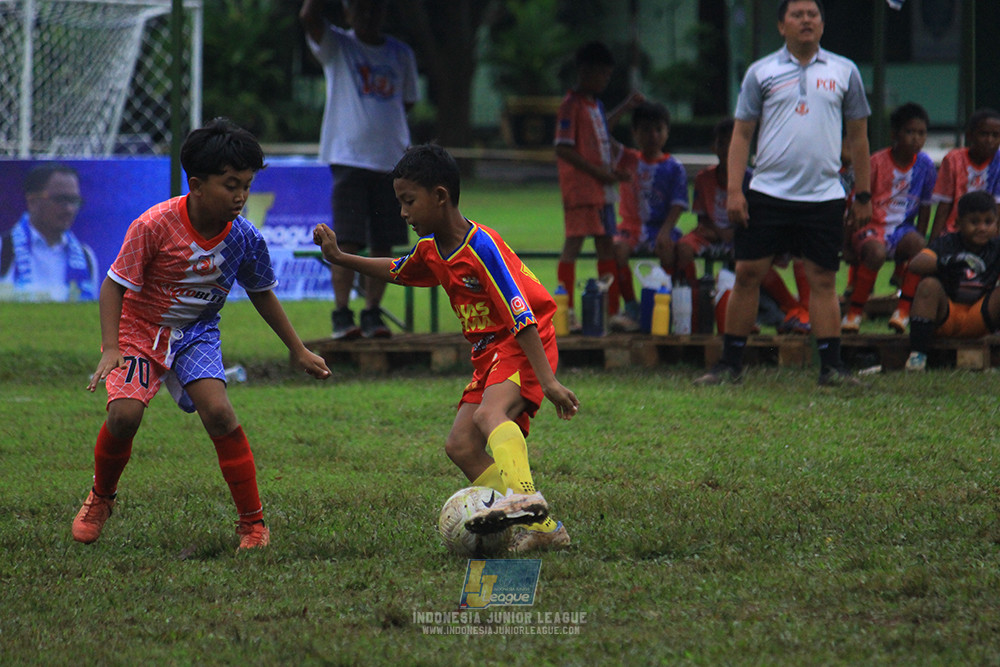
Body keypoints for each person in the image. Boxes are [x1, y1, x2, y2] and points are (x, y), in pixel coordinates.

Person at [71, 119, 332, 550]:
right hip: (140, 332)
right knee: (124, 417)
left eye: (247, 185)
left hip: (197, 334)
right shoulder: (154, 225)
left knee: (220, 413)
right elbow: (114, 284)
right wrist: (112, 347)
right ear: (196, 183)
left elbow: (262, 293)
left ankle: (253, 524)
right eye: (231, 185)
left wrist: (298, 348)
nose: (241, 196)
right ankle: (101, 497)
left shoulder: (245, 237)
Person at [313, 144, 580, 552]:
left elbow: (522, 315)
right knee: (460, 445)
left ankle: (531, 514)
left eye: (409, 201)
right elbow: (397, 270)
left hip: (523, 339)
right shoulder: (432, 250)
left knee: (490, 415)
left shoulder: (481, 248)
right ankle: (542, 525)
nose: (403, 213)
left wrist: (549, 381)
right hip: (490, 353)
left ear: (440, 196)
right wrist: (340, 257)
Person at [695, 0, 872, 386]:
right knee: (746, 274)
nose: (806, 20)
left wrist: (863, 194)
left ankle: (831, 368)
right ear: (781, 26)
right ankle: (730, 365)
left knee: (823, 279)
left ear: (823, 24)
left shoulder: (845, 72)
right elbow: (741, 135)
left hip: (824, 195)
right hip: (768, 192)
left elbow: (858, 138)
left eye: (813, 14)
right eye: (797, 14)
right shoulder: (762, 72)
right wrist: (735, 192)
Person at [299, 0, 419, 339]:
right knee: (347, 240)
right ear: (348, 12)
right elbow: (308, 16)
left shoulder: (401, 53)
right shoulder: (339, 45)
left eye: (375, 8)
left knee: (385, 241)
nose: (369, 14)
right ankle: (342, 313)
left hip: (391, 160)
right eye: (360, 8)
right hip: (349, 157)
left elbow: (407, 101)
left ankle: (372, 313)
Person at [554, 40, 643, 331]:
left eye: (607, 74)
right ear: (584, 71)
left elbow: (601, 129)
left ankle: (610, 312)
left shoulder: (594, 105)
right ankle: (564, 311)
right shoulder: (570, 105)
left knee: (606, 247)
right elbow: (563, 148)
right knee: (574, 245)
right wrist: (599, 173)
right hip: (581, 191)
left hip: (603, 191)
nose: (605, 79)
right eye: (601, 74)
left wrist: (626, 108)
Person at [841, 102, 937, 334]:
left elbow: (925, 208)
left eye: (921, 133)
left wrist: (921, 235)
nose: (916, 139)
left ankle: (902, 311)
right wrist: (846, 244)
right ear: (895, 134)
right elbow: (855, 204)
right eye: (909, 132)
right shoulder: (876, 163)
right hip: (871, 227)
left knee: (918, 247)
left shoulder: (926, 166)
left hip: (902, 229)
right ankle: (854, 312)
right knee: (876, 253)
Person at [609, 100, 688, 332]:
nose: (652, 135)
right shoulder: (627, 159)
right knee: (617, 249)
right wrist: (625, 106)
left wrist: (665, 230)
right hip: (630, 227)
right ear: (634, 133)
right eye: (645, 130)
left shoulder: (674, 167)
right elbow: (601, 130)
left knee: (669, 247)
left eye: (658, 129)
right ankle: (631, 306)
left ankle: (666, 302)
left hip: (660, 227)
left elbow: (678, 204)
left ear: (666, 132)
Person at [905, 190, 1000, 371]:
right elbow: (916, 264)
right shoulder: (947, 243)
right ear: (958, 223)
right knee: (928, 286)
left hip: (979, 317)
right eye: (974, 222)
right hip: (945, 316)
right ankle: (918, 354)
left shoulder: (996, 247)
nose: (982, 228)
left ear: (996, 225)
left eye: (988, 222)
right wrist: (946, 262)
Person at [0, 163, 99, 302]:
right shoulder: (4, 249)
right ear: (32, 201)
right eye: (60, 200)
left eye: (74, 201)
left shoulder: (86, 256)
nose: (69, 210)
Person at [927, 108, 1000, 242]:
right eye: (984, 134)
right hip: (955, 231)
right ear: (970, 135)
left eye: (995, 135)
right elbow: (944, 205)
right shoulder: (953, 160)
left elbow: (998, 207)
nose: (990, 140)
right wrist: (933, 243)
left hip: (988, 234)